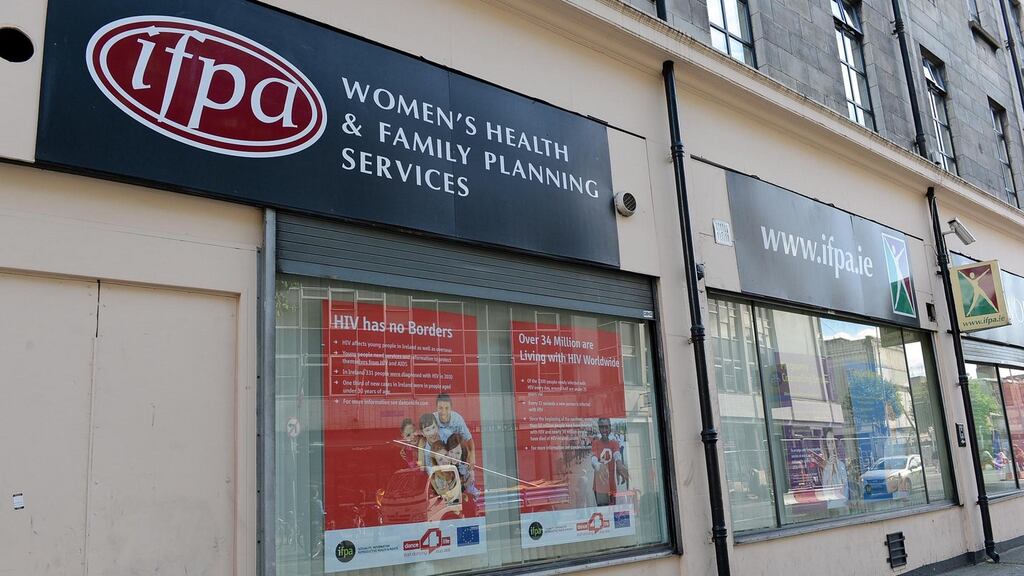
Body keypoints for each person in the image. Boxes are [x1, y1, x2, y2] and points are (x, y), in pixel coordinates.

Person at [591, 418, 628, 506]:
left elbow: (617, 454)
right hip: (599, 486)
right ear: (599, 428)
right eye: (601, 427)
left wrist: (619, 465)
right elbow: (593, 459)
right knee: (603, 513)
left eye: (606, 427)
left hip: (611, 485)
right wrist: (598, 465)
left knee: (612, 513)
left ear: (610, 428)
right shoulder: (595, 443)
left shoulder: (614, 443)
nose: (604, 430)